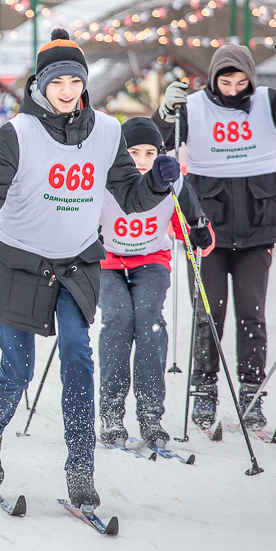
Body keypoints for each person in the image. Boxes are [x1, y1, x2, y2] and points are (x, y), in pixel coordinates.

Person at [0, 29, 179, 511]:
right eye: (56, 81)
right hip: (20, 263)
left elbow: (130, 196)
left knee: (78, 357)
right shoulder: (18, 133)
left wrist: (156, 184)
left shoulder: (107, 131)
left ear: (83, 84)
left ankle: (80, 470)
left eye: (74, 81)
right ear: (40, 84)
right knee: (17, 371)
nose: (65, 90)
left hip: (77, 262)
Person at [153, 40, 276, 431]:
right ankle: (204, 391)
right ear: (213, 79)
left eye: (241, 80)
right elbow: (156, 142)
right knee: (209, 313)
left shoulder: (269, 102)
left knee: (251, 314)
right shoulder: (193, 107)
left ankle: (251, 393)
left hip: (258, 227)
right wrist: (165, 111)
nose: (233, 88)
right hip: (207, 227)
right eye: (226, 81)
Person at [97, 117, 212, 450]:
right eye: (133, 152)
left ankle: (150, 414)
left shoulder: (169, 180)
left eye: (149, 152)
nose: (142, 160)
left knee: (148, 320)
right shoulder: (106, 179)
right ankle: (112, 412)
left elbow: (189, 223)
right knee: (118, 319)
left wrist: (199, 231)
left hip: (151, 261)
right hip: (108, 263)